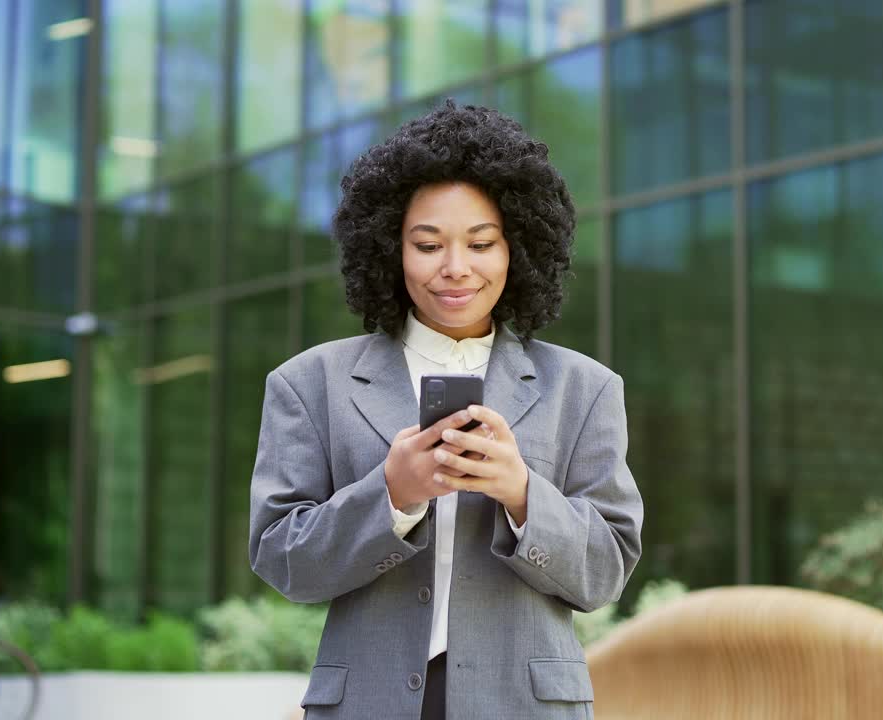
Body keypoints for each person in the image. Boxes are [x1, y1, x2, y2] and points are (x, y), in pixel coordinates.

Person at [249, 101, 644, 720]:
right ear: (389, 249)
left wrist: (521, 495)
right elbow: (282, 559)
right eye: (427, 244)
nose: (455, 268)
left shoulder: (584, 388)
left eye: (481, 243)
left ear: (517, 249)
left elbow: (607, 572)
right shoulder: (308, 383)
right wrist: (391, 496)